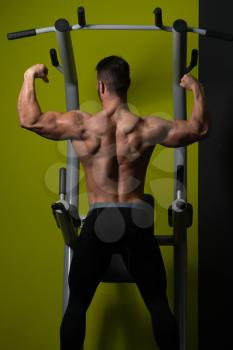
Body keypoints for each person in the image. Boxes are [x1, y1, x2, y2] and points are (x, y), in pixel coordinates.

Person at [18, 56, 210, 350]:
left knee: (77, 305)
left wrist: (30, 75)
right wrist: (196, 89)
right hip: (136, 219)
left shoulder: (82, 124)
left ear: (101, 87)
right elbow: (199, 129)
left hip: (98, 219)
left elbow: (28, 119)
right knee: (158, 304)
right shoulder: (147, 127)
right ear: (128, 86)